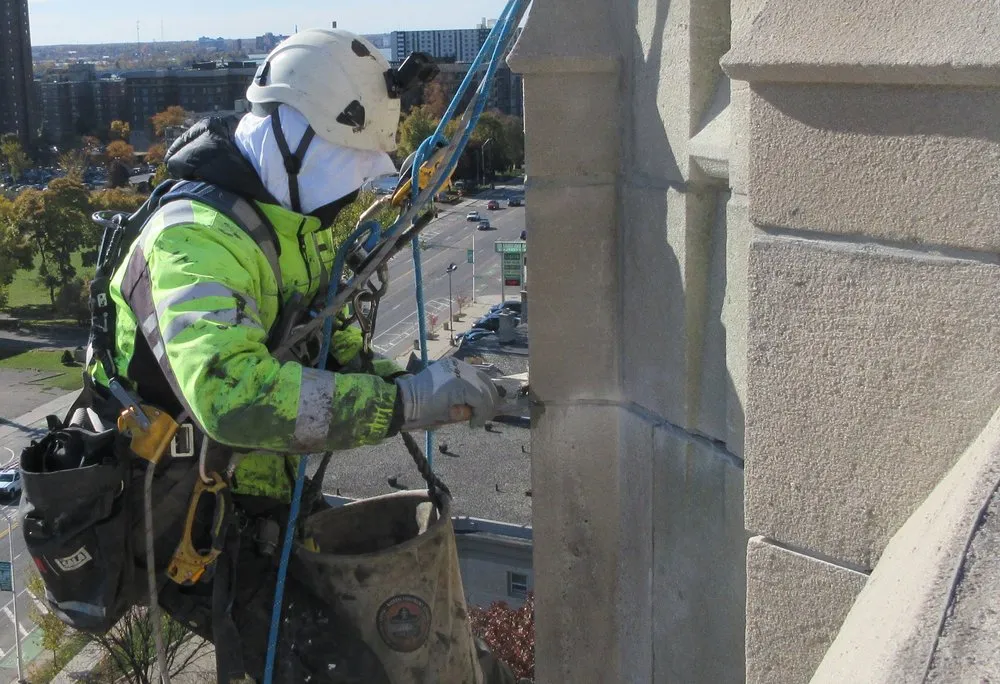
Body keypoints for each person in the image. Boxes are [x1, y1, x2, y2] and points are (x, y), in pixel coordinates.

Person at [86, 28, 506, 682]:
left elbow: (325, 345)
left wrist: (426, 386)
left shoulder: (291, 227)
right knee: (343, 671)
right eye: (350, 158)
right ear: (289, 132)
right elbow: (234, 399)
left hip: (253, 499)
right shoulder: (192, 239)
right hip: (186, 516)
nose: (362, 181)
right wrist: (405, 404)